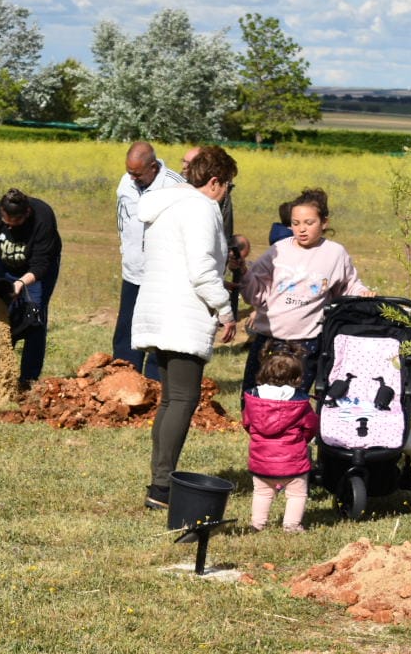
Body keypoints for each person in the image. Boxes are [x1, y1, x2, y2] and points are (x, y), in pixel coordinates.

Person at [132, 145, 239, 510]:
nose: (227, 193)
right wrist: (225, 310)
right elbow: (202, 270)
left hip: (160, 311)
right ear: (213, 181)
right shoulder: (200, 209)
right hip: (182, 315)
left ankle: (159, 482)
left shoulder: (171, 203)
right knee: (183, 399)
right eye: (228, 186)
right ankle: (162, 486)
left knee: (171, 398)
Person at [241, 188, 371, 397]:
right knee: (254, 400)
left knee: (293, 402)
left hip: (306, 343)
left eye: (309, 223)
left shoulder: (335, 253)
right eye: (295, 223)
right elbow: (253, 292)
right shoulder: (278, 250)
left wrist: (363, 292)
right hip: (269, 340)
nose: (301, 229)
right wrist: (242, 272)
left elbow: (348, 285)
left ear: (324, 222)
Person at [0, 188, 62, 388]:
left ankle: (28, 380)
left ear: (27, 214)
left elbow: (40, 265)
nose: (11, 228)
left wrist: (21, 284)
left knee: (34, 318)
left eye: (16, 223)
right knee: (2, 317)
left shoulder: (43, 217)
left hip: (38, 272)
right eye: (7, 224)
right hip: (6, 266)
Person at [115, 141, 185, 377]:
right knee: (127, 328)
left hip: (162, 276)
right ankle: (124, 376)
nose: (132, 178)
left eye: (137, 173)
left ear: (153, 166)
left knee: (157, 330)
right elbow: (122, 219)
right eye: (129, 172)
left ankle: (155, 381)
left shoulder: (176, 186)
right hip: (133, 271)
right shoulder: (126, 182)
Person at [242, 347, 318, 534]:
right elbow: (311, 426)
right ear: (297, 377)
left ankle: (257, 525)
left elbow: (247, 423)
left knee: (262, 492)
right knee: (297, 494)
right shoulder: (300, 403)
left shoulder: (253, 399)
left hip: (262, 460)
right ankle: (291, 526)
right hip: (293, 461)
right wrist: (303, 440)